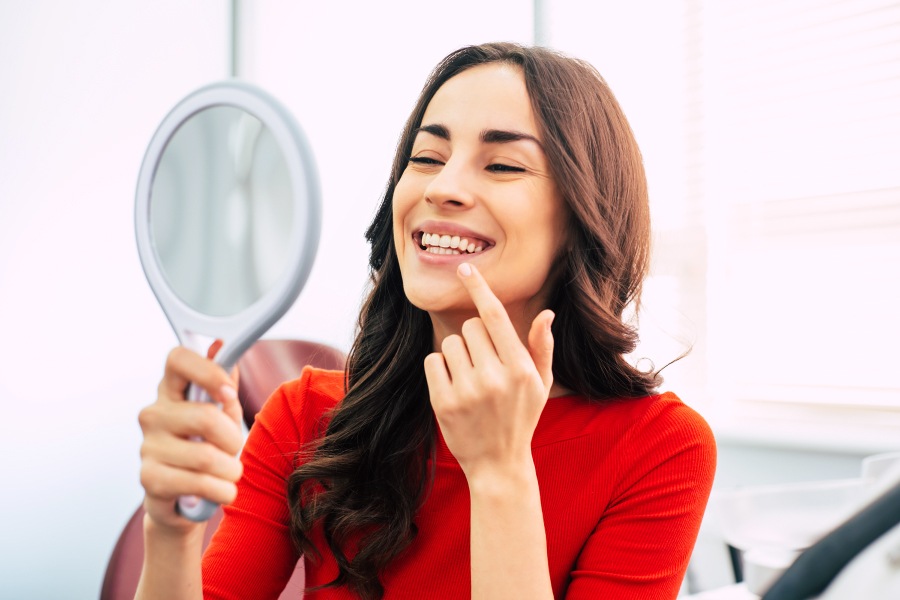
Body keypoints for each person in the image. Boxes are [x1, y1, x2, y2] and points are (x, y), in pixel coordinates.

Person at [135, 42, 716, 600]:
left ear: (584, 217)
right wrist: (170, 533)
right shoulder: (303, 417)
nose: (443, 187)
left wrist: (498, 472)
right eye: (426, 158)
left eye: (503, 164)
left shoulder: (660, 449)